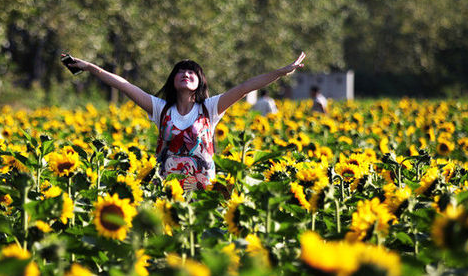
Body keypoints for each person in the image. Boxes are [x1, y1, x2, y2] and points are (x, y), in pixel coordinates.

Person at [61, 52, 305, 191]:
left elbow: (244, 88)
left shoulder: (209, 108)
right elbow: (124, 85)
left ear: (199, 82)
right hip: (170, 188)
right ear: (173, 79)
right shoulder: (160, 108)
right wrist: (91, 67)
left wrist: (281, 72)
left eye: (192, 72)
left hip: (204, 188)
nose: (186, 74)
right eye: (181, 71)